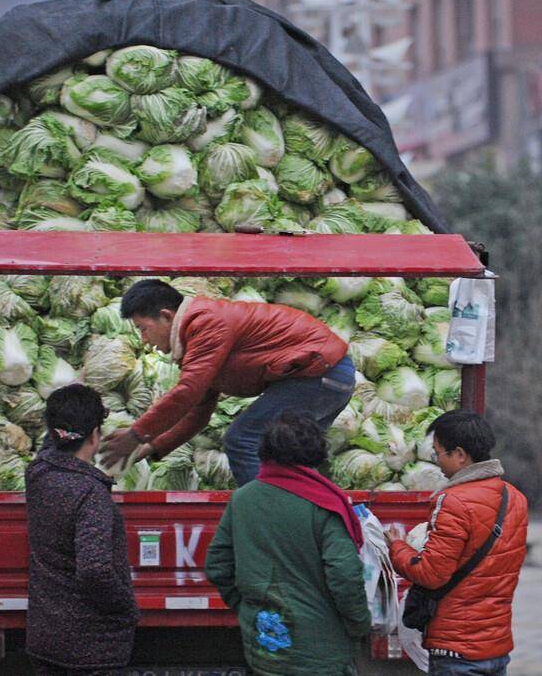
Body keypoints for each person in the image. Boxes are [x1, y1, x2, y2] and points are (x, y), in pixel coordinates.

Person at [98, 279, 355, 485]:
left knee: (241, 439)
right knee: (287, 460)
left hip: (318, 373)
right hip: (331, 376)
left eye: (143, 328)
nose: (144, 340)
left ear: (166, 317)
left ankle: (267, 522)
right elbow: (197, 414)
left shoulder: (206, 323)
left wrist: (135, 434)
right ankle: (301, 523)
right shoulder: (199, 337)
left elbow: (187, 391)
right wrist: (150, 448)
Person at [204, 412, 370, 676]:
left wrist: (248, 607)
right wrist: (359, 624)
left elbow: (217, 566)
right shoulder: (324, 504)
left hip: (264, 643)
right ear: (317, 453)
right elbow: (344, 575)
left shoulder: (243, 498)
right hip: (320, 648)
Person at [385, 410, 529, 676]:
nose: (437, 463)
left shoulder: (453, 501)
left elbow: (431, 574)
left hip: (456, 650)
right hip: (496, 647)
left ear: (460, 455)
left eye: (439, 453)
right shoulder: (515, 498)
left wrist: (397, 547)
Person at [25, 384, 139, 675]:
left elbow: (52, 448)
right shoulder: (91, 494)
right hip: (91, 648)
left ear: (52, 433)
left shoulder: (38, 474)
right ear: (94, 436)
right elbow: (94, 570)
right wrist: (125, 607)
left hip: (46, 638)